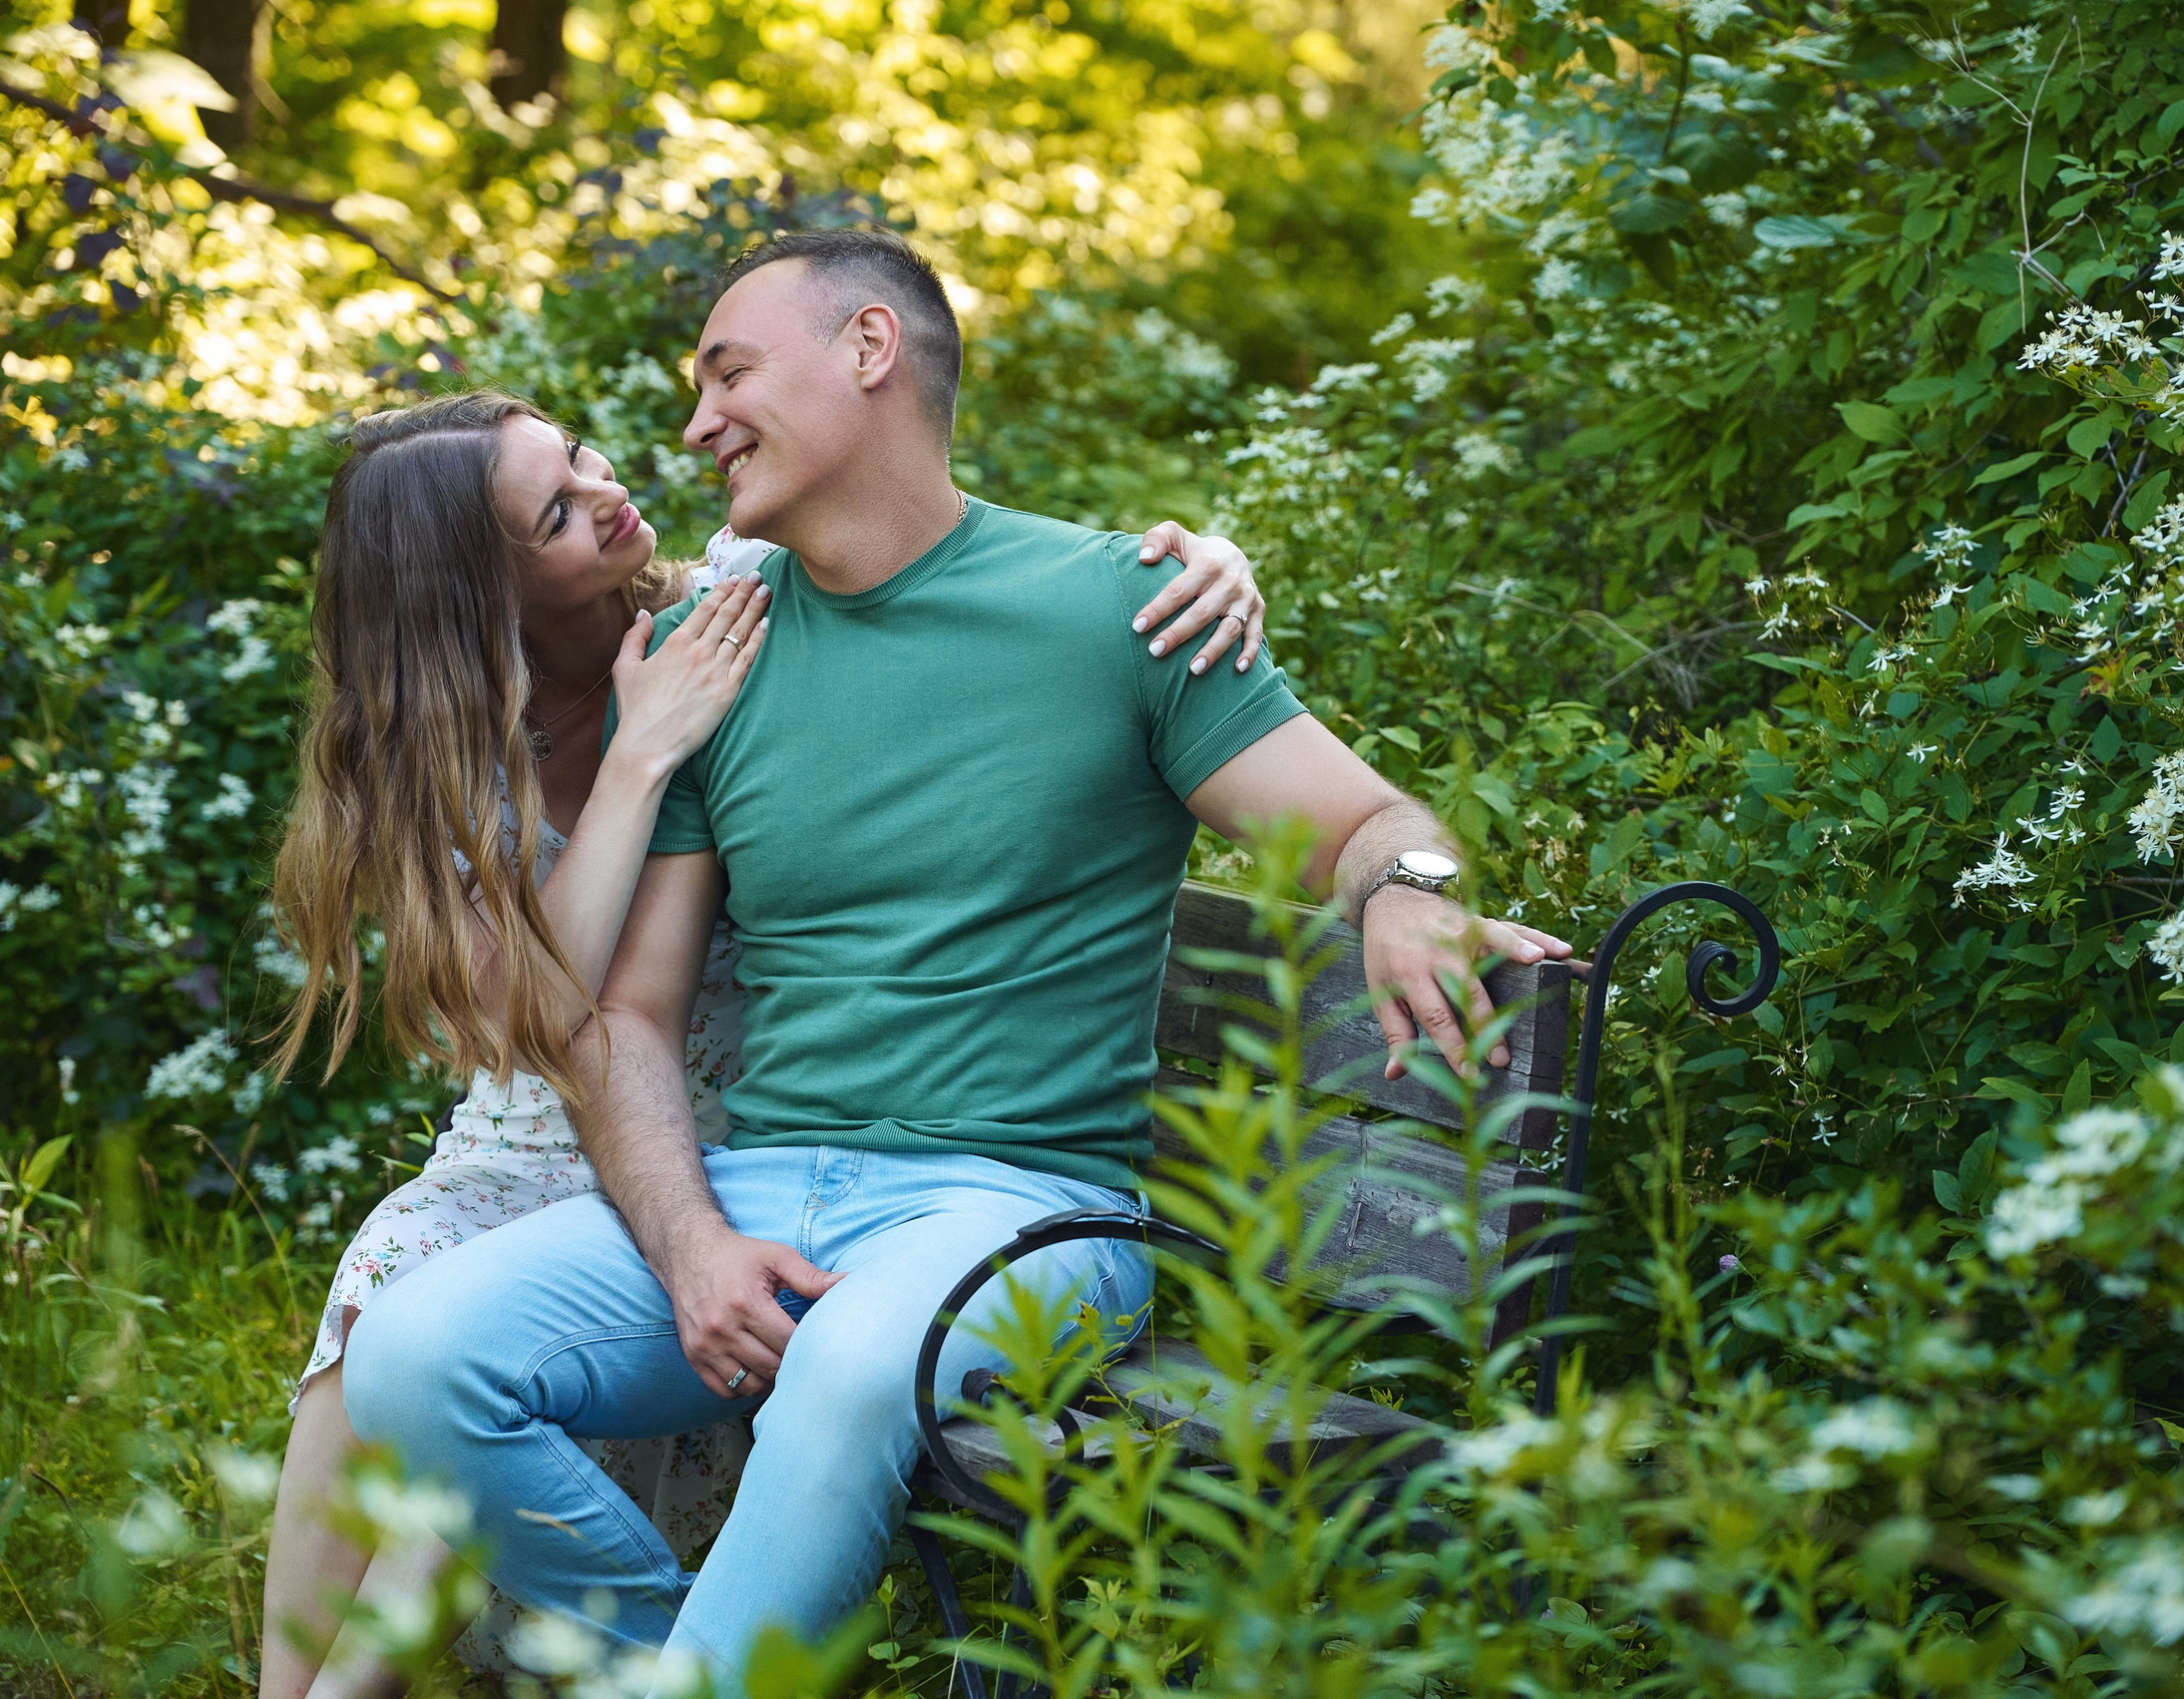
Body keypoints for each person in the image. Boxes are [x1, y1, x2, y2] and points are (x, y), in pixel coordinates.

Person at [339, 226, 1573, 1693]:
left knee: (860, 1362)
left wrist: (1414, 887)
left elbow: (1370, 820)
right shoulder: (711, 649)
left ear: (869, 351)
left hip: (1030, 1209)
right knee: (414, 1358)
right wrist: (692, 1247)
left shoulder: (1121, 609)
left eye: (730, 371)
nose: (693, 424)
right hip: (771, 1193)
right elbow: (631, 1019)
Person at [255, 386, 1275, 1699]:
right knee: (393, 1302)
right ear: (475, 598)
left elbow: (967, 565)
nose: (610, 488)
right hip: (557, 1115)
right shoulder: (443, 757)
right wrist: (641, 757)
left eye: (574, 456)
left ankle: (646, 1669)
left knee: (437, 1387)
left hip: (750, 1128)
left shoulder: (735, 591)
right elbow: (540, 1015)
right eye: (557, 514)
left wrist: (1196, 556)